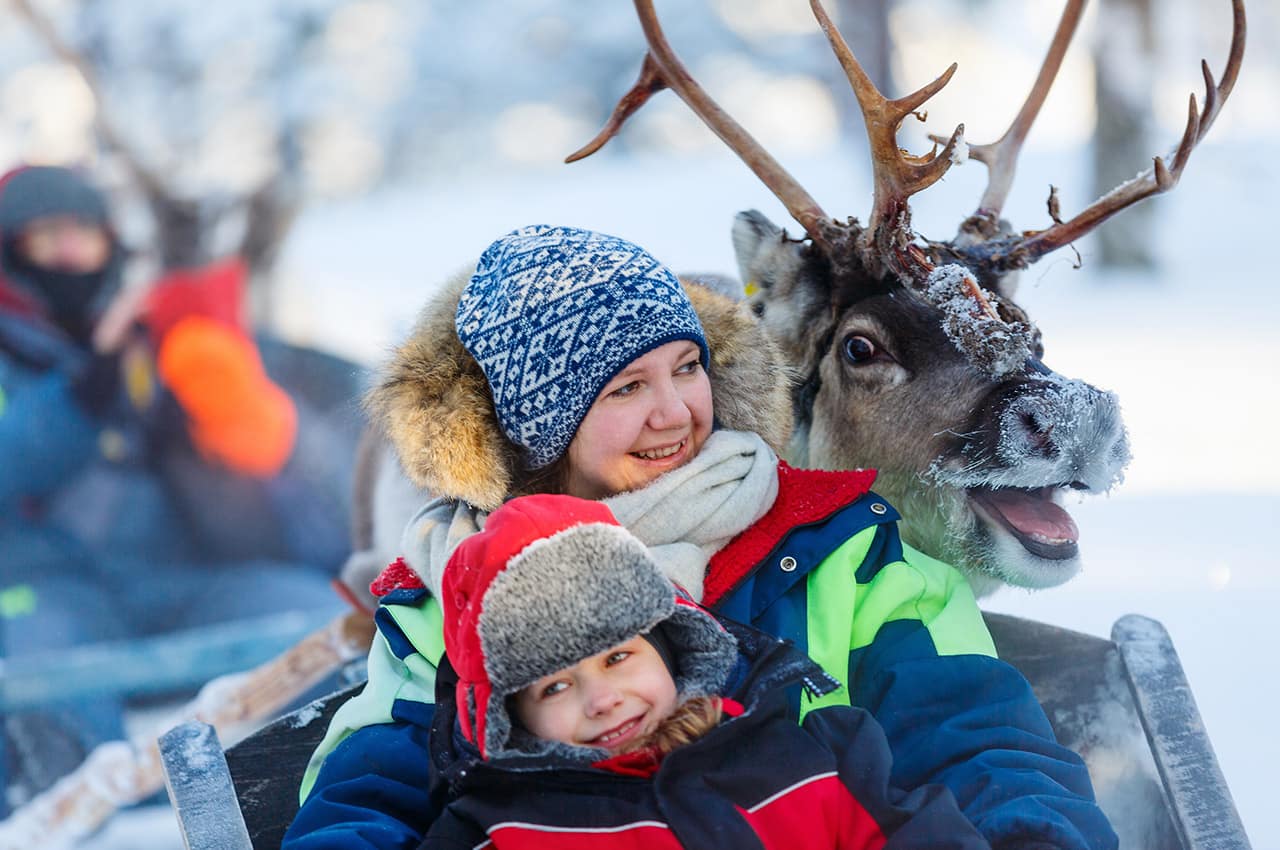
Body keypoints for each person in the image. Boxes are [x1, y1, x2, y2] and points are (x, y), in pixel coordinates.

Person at [283, 224, 1118, 850]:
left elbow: (976, 736)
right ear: (542, 431)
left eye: (688, 368)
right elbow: (369, 794)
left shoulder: (838, 551)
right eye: (625, 388)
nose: (676, 412)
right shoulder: (448, 600)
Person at [0, 164, 350, 806]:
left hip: (183, 580)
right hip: (45, 589)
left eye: (84, 231)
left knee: (322, 625)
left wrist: (206, 401)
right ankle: (68, 819)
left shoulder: (156, 331)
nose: (70, 251)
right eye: (46, 236)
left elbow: (288, 450)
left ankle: (313, 797)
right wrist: (80, 398)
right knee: (38, 685)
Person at [422, 492, 991, 849]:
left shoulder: (802, 755)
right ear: (510, 716)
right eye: (556, 686)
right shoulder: (501, 830)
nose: (602, 699)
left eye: (618, 657)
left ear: (671, 650)